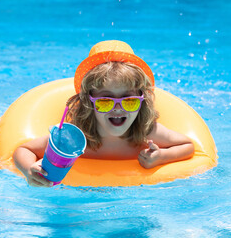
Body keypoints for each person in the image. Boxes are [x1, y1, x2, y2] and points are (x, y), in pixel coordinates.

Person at [13, 40, 194, 187]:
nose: (117, 108)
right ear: (89, 102)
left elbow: (188, 145)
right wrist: (29, 169)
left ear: (141, 101)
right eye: (106, 101)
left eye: (129, 101)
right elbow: (24, 149)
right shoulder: (76, 137)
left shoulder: (146, 132)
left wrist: (162, 157)